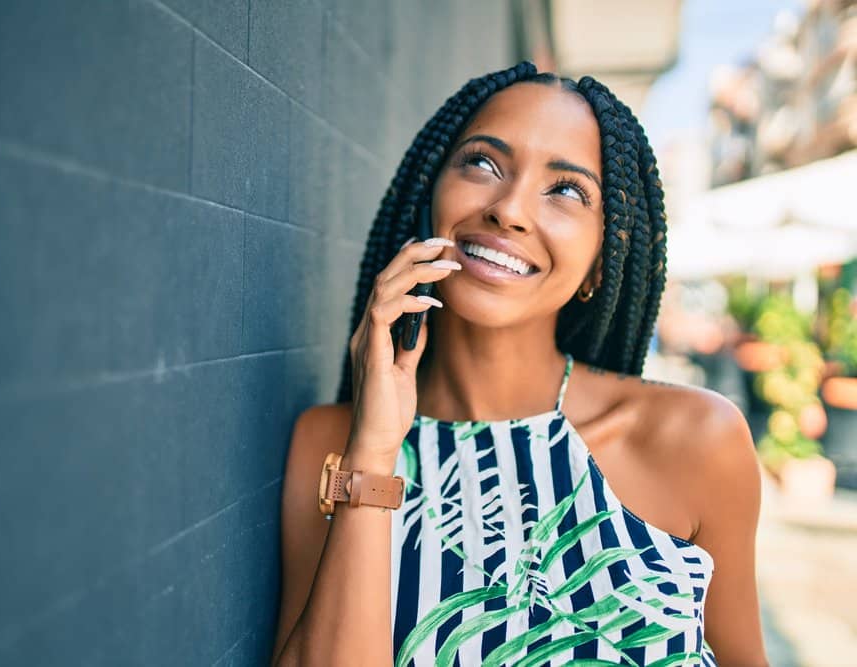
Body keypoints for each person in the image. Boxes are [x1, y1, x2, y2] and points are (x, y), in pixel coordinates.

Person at [271, 60, 768, 666]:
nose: (509, 209)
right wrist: (374, 456)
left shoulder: (693, 440)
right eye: (483, 163)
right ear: (429, 196)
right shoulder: (332, 443)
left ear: (600, 265)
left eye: (566, 190)